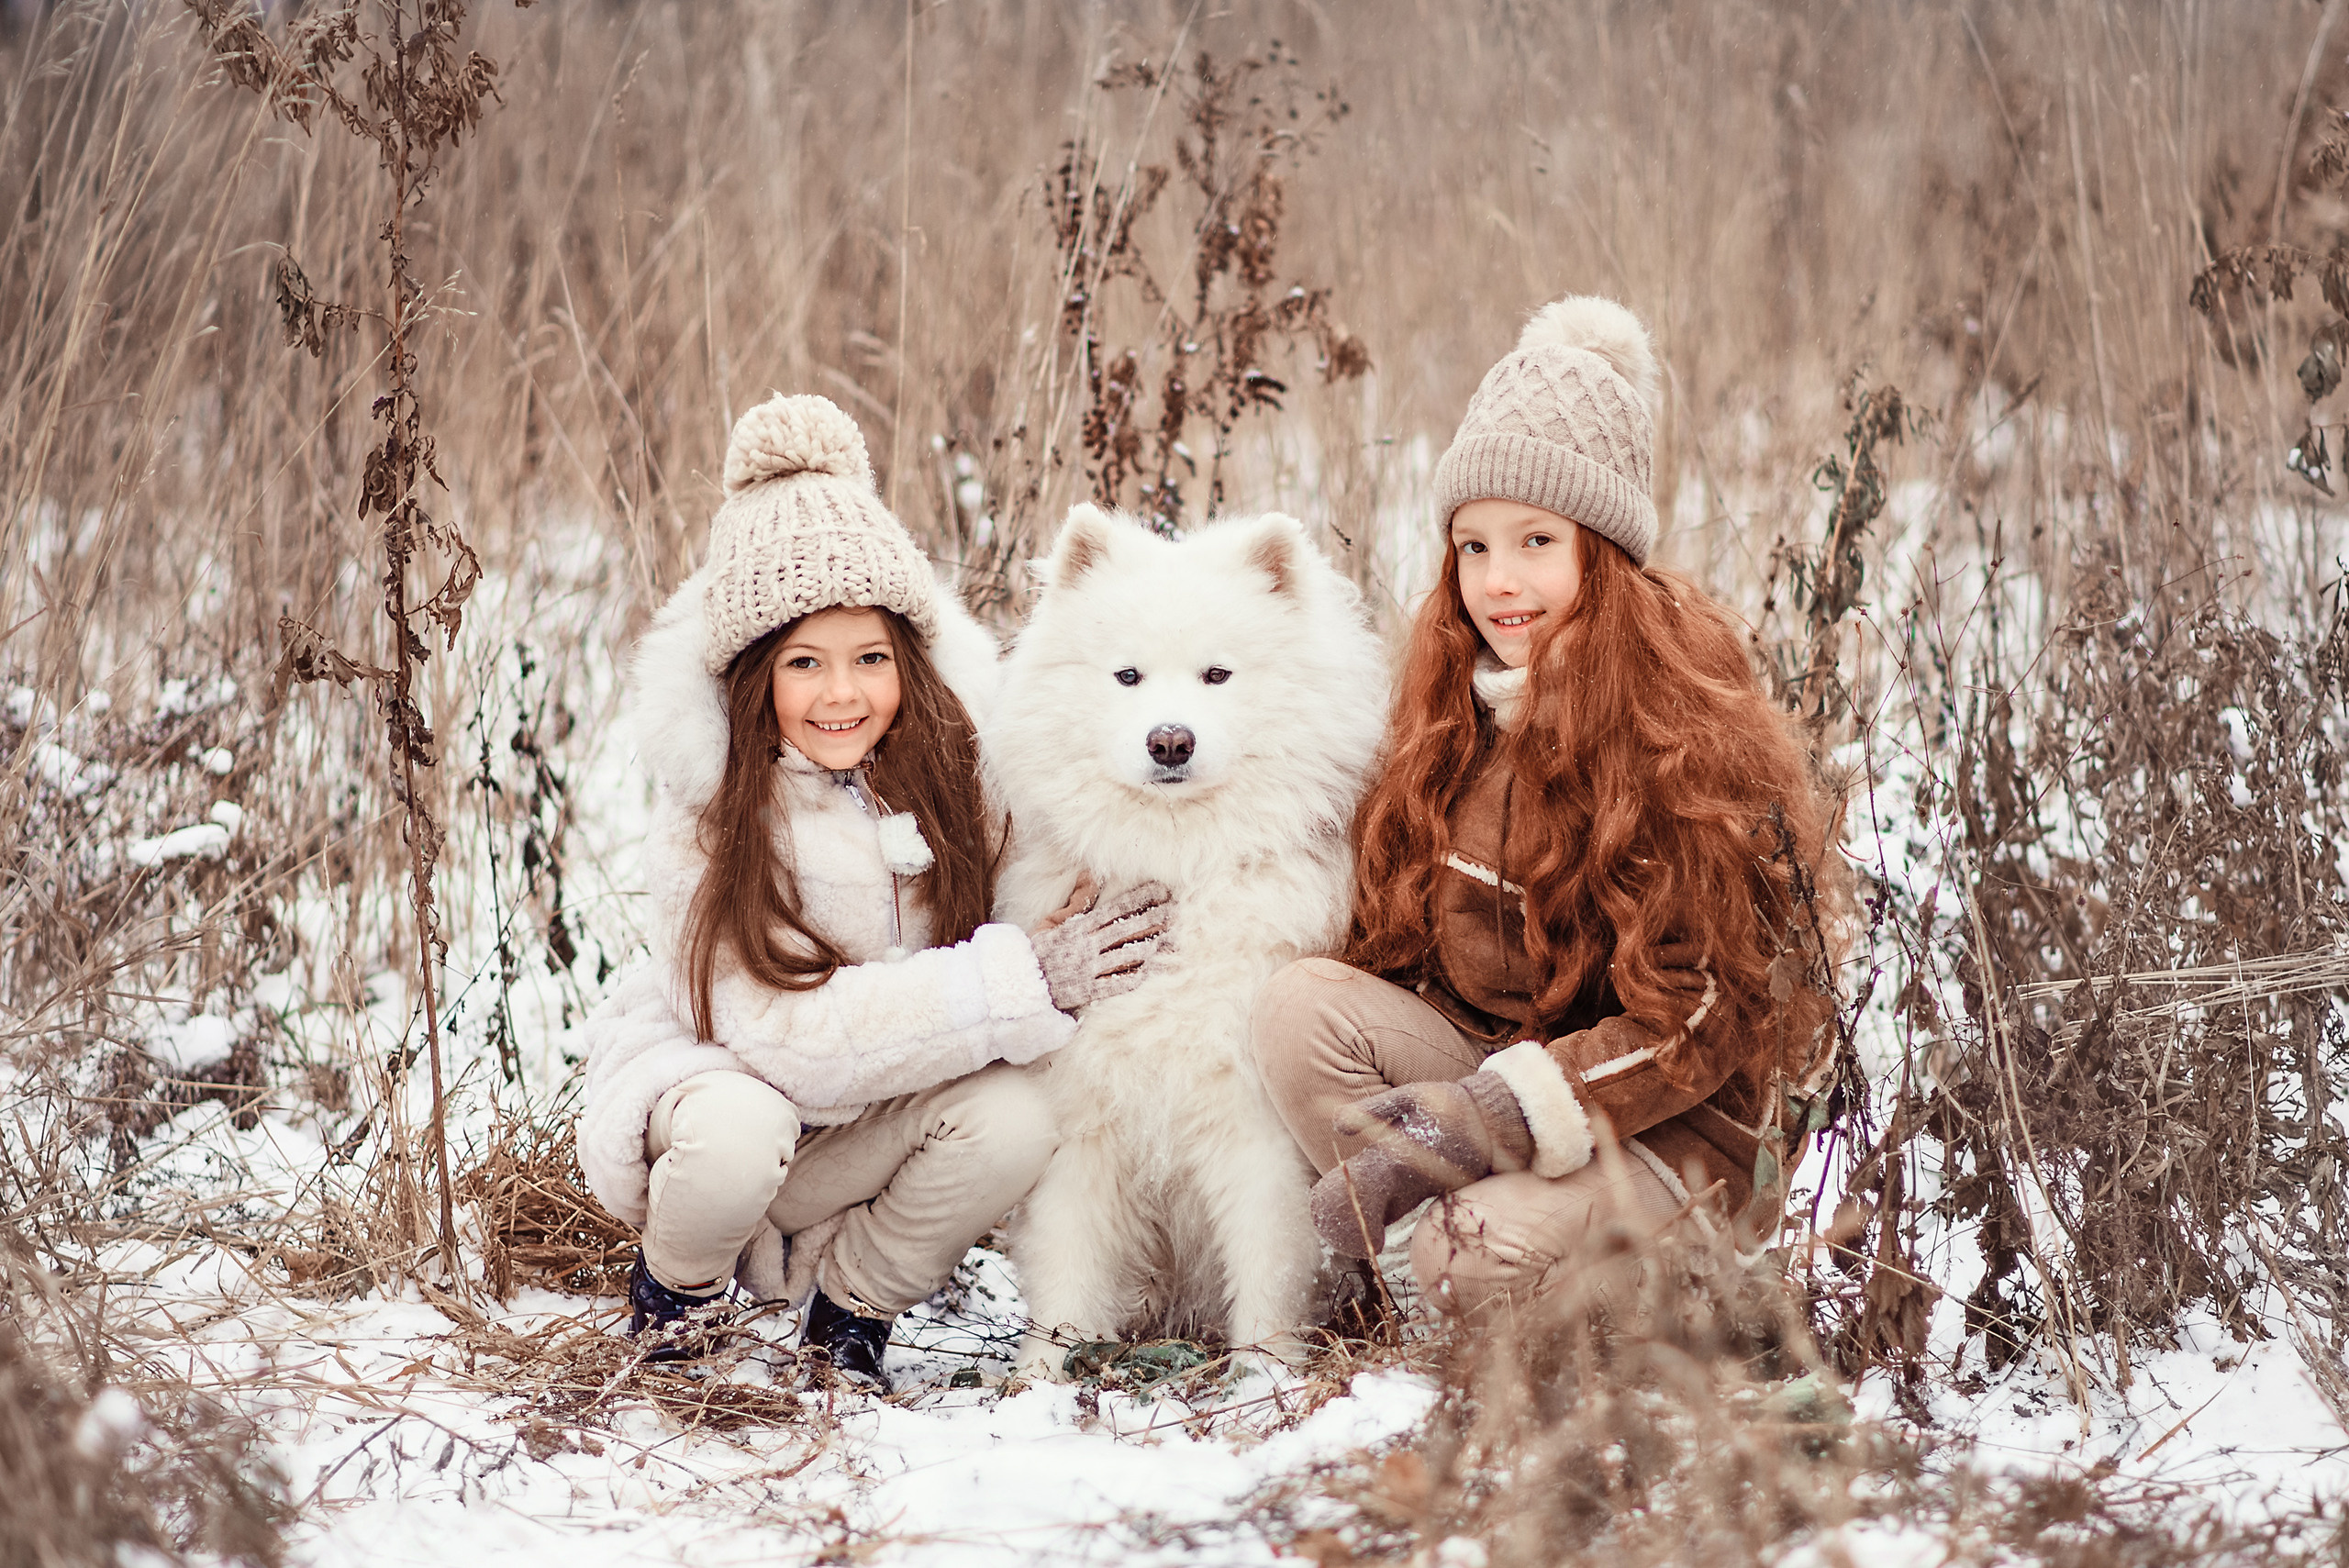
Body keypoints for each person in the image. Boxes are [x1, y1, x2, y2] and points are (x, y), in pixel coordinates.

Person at [1248, 296, 1842, 1315]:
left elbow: (1697, 1018)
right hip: (1518, 1082)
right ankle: (1440, 1275)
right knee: (1299, 1006)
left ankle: (1686, 1288)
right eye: (1472, 547)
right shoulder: (1457, 704)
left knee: (1465, 1248)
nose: (1498, 581)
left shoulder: (1677, 726)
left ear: (1599, 554)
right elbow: (1398, 941)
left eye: (1534, 540)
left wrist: (1479, 1119)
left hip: (1678, 1127)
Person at [576, 393, 1170, 1388]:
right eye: (803, 662)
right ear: (750, 675)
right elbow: (785, 1043)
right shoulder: (709, 816)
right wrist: (1023, 978)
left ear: (912, 662)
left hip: (865, 1129)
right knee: (737, 1132)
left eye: (870, 659)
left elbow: (1052, 873)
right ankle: (675, 1299)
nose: (842, 693)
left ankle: (848, 1313)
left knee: (1018, 1115)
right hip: (728, 1108)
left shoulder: (953, 780)